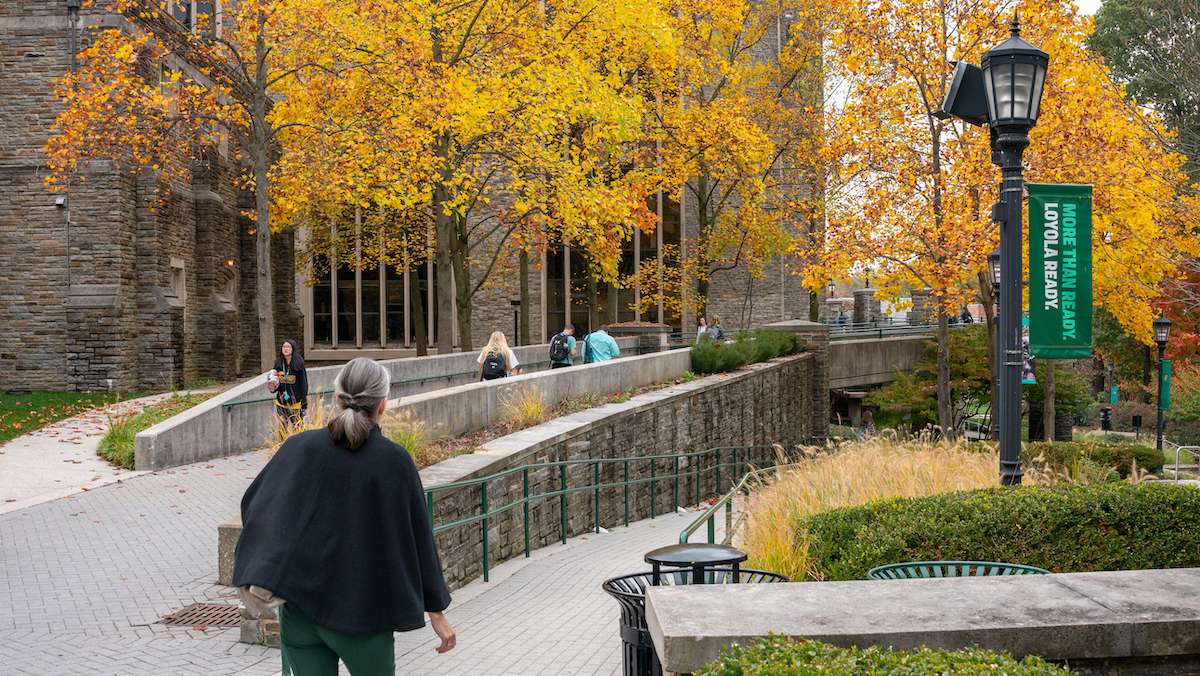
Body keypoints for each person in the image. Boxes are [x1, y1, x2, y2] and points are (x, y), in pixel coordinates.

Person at [234, 358, 456, 675]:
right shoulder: (394, 462)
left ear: (336, 399)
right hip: (365, 618)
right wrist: (436, 612)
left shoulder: (298, 449)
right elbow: (418, 537)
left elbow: (255, 506)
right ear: (383, 405)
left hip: (302, 613)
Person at [270, 339, 307, 426]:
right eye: (284, 347)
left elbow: (303, 382)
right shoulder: (278, 363)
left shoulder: (299, 363)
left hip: (295, 402)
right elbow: (276, 381)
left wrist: (304, 399)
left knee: (298, 427)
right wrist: (273, 387)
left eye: (288, 347)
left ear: (293, 349)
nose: (285, 349)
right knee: (282, 428)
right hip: (281, 401)